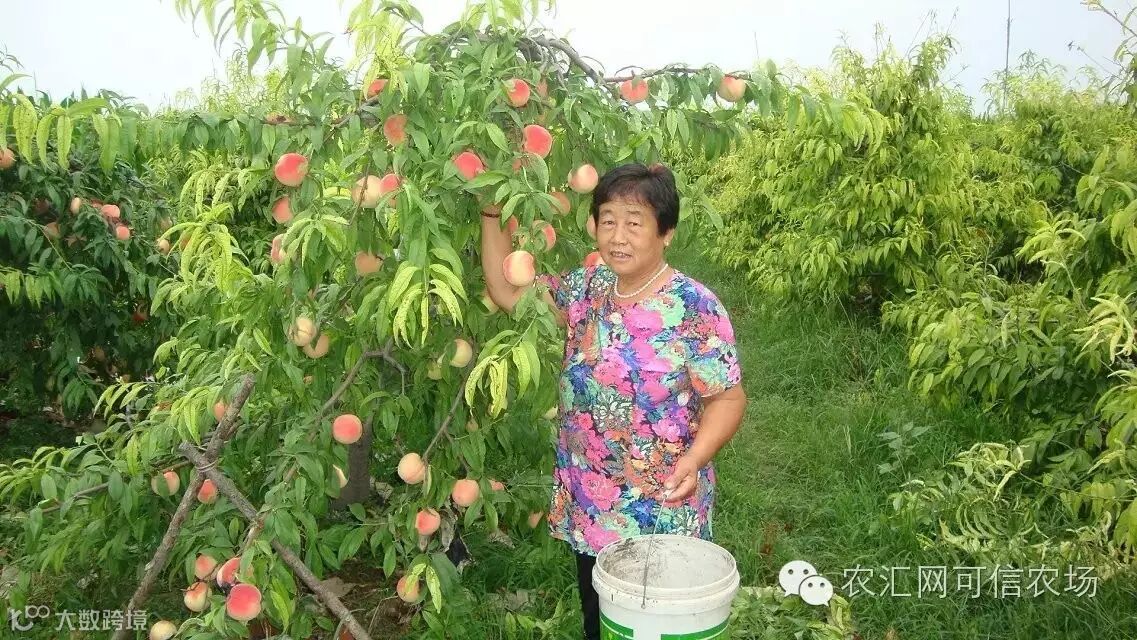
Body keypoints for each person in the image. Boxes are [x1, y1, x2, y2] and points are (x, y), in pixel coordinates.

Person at [480, 162, 747, 640]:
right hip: (594, 504)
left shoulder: (694, 308)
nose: (618, 236)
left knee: (659, 627)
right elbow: (506, 291)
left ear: (666, 232)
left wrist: (695, 457)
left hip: (662, 503)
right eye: (608, 220)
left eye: (634, 222)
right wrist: (490, 214)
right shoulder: (588, 288)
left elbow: (727, 399)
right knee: (601, 622)